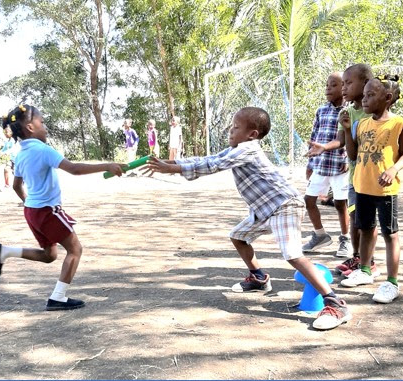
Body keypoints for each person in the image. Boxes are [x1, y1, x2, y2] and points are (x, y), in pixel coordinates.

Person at [144, 107, 352, 330]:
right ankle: (259, 278)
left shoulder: (248, 149)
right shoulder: (236, 149)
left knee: (292, 254)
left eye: (235, 127)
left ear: (252, 134)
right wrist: (170, 163)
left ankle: (335, 303)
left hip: (284, 206)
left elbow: (213, 165)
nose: (230, 131)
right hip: (264, 210)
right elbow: (211, 158)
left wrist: (173, 169)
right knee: (238, 237)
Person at [0, 104, 126, 311]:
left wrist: (30, 203)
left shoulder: (21, 154)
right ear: (30, 127)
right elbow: (74, 169)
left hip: (32, 211)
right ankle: (58, 297)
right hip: (47, 210)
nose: (45, 127)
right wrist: (106, 165)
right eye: (42, 123)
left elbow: (17, 185)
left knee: (50, 255)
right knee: (75, 249)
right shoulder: (43, 150)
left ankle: (5, 252)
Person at [340, 76, 403, 304]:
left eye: (371, 95)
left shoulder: (399, 123)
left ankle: (391, 283)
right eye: (364, 95)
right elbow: (352, 155)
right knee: (365, 229)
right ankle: (364, 270)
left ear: (387, 98)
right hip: (362, 186)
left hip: (385, 191)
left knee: (390, 235)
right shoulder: (361, 124)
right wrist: (348, 129)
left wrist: (393, 169)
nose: (365, 99)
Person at [307, 63, 379, 277]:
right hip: (354, 176)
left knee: (366, 221)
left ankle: (368, 263)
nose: (344, 88)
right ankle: (357, 258)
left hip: (370, 176)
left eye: (348, 83)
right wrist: (321, 148)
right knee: (357, 218)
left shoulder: (373, 114)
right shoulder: (348, 112)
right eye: (343, 83)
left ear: (365, 85)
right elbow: (345, 145)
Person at [303, 72, 351, 258]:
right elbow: (314, 137)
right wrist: (310, 163)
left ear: (343, 87)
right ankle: (320, 235)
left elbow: (351, 137)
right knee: (309, 200)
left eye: (333, 85)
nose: (328, 89)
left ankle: (345, 239)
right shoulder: (321, 110)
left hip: (340, 165)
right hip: (321, 164)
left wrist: (348, 159)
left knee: (340, 203)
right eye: (327, 85)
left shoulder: (349, 111)